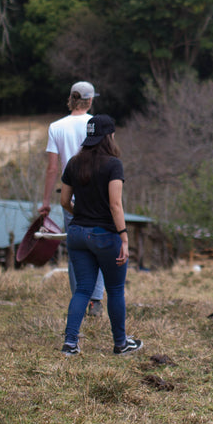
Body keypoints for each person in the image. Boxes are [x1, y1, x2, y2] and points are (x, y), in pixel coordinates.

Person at [54, 114, 141, 356]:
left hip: (77, 233)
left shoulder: (74, 162)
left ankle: (70, 343)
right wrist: (124, 237)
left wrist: (79, 213)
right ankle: (121, 343)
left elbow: (63, 200)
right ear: (109, 136)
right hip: (105, 235)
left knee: (82, 289)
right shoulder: (113, 164)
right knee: (114, 289)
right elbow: (115, 205)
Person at [40, 81, 104, 312]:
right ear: (90, 101)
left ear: (71, 99)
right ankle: (95, 301)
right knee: (98, 247)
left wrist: (46, 202)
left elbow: (52, 169)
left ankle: (79, 299)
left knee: (76, 249)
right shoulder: (97, 124)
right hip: (98, 197)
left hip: (70, 197)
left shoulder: (56, 127)